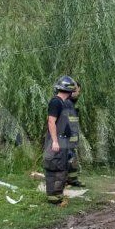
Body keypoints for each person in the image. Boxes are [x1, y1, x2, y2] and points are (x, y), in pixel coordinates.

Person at [43, 76, 80, 206]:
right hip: (56, 141)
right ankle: (54, 200)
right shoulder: (56, 102)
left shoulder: (63, 103)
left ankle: (58, 197)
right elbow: (51, 121)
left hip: (62, 142)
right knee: (54, 168)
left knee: (61, 169)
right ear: (69, 91)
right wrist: (54, 141)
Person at [67, 82, 84, 188]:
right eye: (77, 90)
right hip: (66, 138)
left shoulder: (71, 102)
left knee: (72, 157)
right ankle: (64, 180)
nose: (78, 93)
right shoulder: (65, 102)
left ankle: (72, 179)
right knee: (67, 158)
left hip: (72, 137)